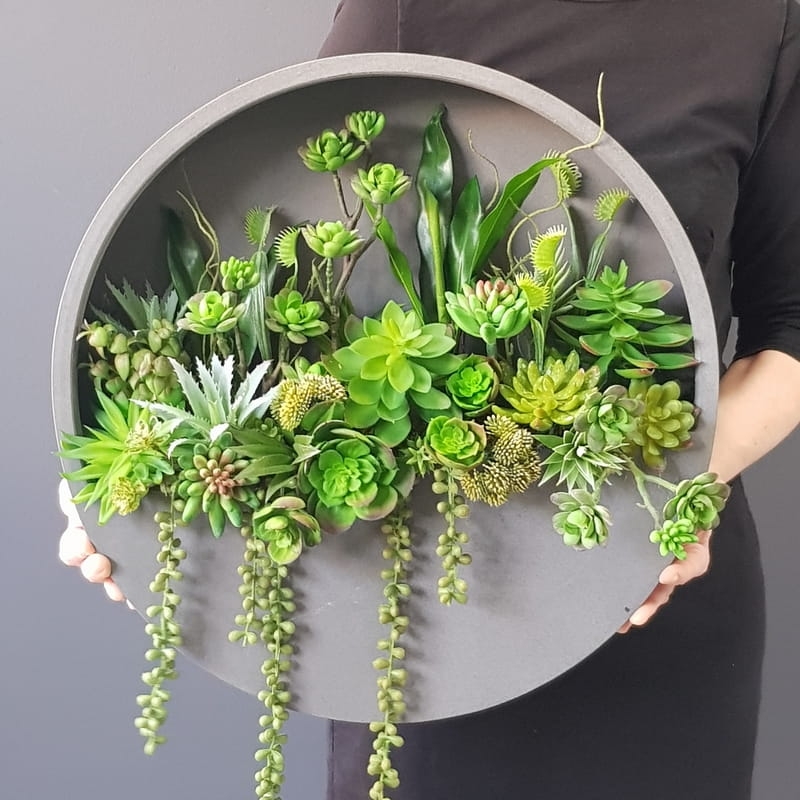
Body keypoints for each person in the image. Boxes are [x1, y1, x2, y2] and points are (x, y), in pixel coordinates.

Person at [60, 0, 800, 797]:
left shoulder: (759, 19)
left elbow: (790, 321)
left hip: (653, 607)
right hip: (423, 617)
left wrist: (674, 495)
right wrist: (139, 475)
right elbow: (281, 277)